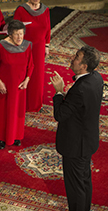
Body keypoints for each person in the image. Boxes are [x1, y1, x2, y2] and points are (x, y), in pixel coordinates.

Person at [50, 46, 103, 211]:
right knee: (84, 181)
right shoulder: (97, 78)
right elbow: (82, 106)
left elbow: (60, 114)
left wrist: (59, 92)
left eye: (77, 57)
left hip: (75, 145)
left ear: (84, 66)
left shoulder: (79, 89)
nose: (72, 58)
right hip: (87, 140)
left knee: (76, 188)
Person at [0, 20, 34, 149]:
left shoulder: (26, 46)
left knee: (17, 113)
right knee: (2, 113)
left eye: (21, 34)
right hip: (4, 87)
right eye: (16, 34)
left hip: (19, 87)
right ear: (9, 34)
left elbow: (31, 65)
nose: (20, 37)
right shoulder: (0, 47)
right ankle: (0, 138)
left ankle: (16, 135)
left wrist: (27, 80)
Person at [14, 0, 51, 112]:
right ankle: (23, 103)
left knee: (38, 75)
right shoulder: (21, 10)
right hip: (25, 45)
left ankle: (36, 104)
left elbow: (47, 29)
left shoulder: (45, 10)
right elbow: (14, 28)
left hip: (39, 46)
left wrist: (46, 45)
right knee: (24, 73)